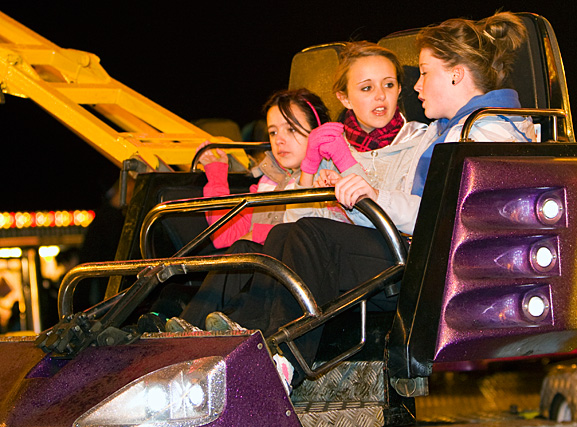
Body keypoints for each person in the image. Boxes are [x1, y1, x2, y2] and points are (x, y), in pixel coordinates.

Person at [181, 11, 537, 389]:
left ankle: (286, 362)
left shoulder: (482, 134)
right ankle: (236, 346)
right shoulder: (451, 131)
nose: (416, 86)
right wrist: (348, 190)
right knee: (282, 237)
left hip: (436, 268)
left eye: (423, 72)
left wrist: (370, 194)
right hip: (415, 249)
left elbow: (445, 217)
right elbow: (416, 205)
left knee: (308, 237)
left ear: (455, 73)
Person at [171, 88, 350, 328]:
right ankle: (183, 327)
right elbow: (225, 235)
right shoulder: (268, 182)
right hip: (262, 274)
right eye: (273, 132)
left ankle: (193, 330)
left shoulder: (327, 177)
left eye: (291, 129)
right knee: (172, 291)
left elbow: (316, 229)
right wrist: (216, 175)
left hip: (301, 279)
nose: (280, 140)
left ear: (316, 131)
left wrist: (256, 235)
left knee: (247, 247)